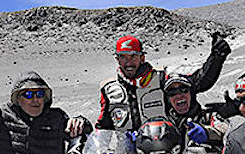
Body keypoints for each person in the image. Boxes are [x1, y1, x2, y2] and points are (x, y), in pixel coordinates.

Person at [95, 32, 231, 131]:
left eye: (133, 56)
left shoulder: (160, 78)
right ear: (117, 59)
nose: (128, 62)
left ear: (142, 58)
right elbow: (103, 127)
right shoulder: (109, 89)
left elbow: (197, 82)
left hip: (163, 152)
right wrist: (82, 125)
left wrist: (217, 57)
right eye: (123, 57)